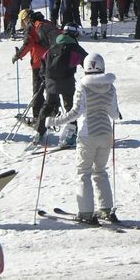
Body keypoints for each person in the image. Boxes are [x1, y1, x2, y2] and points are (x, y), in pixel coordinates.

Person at [50, 53, 121, 223]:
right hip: (106, 134)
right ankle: (105, 209)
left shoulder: (83, 87)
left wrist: (53, 121)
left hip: (88, 134)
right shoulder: (110, 87)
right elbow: (114, 114)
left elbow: (75, 112)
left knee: (83, 172)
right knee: (100, 171)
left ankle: (86, 213)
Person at [34, 29, 86, 144]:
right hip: (67, 80)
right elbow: (88, 61)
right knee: (70, 108)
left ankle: (39, 132)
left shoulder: (53, 46)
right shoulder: (74, 47)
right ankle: (71, 134)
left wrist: (43, 77)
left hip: (50, 81)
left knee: (48, 105)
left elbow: (43, 60)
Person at [12, 12, 55, 123]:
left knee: (37, 91)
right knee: (51, 87)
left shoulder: (31, 27)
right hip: (52, 60)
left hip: (38, 62)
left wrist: (18, 55)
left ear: (25, 19)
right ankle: (53, 111)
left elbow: (28, 43)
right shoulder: (48, 23)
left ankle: (38, 117)